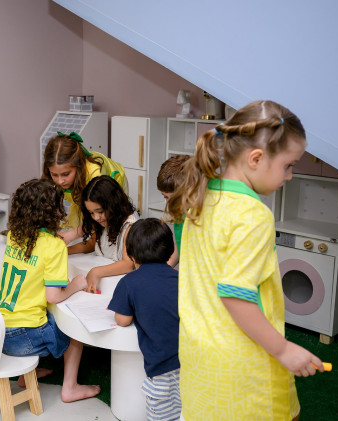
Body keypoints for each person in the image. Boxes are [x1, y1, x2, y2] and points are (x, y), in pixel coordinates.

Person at [168, 100, 325, 421]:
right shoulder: (253, 214)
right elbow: (234, 295)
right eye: (288, 165)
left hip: (200, 361)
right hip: (244, 367)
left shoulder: (200, 198)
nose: (290, 176)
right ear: (256, 159)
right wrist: (283, 349)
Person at [0, 178, 100, 402]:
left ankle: (26, 375)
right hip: (22, 336)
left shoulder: (14, 236)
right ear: (55, 211)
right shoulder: (55, 246)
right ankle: (70, 388)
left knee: (42, 313)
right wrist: (75, 285)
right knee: (74, 329)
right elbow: (53, 296)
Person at [108, 218, 181, 421]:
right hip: (190, 360)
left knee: (162, 414)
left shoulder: (129, 282)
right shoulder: (181, 279)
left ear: (131, 255)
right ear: (169, 251)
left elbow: (122, 320)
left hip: (161, 365)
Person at [42, 131, 128, 244]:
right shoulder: (58, 175)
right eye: (54, 175)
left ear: (78, 167)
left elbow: (97, 214)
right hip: (83, 188)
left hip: (112, 183)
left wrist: (72, 235)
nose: (60, 181)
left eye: (65, 174)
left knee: (103, 225)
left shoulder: (94, 175)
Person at [68, 175, 136, 292]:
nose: (96, 217)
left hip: (120, 286)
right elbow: (91, 244)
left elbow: (128, 264)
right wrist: (64, 251)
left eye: (99, 211)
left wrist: (95, 272)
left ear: (113, 204)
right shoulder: (103, 223)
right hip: (107, 283)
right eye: (91, 213)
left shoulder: (129, 226)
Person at [156, 154, 190, 268]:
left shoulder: (197, 216)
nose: (168, 203)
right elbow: (181, 244)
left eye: (173, 198)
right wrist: (166, 268)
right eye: (165, 197)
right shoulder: (179, 212)